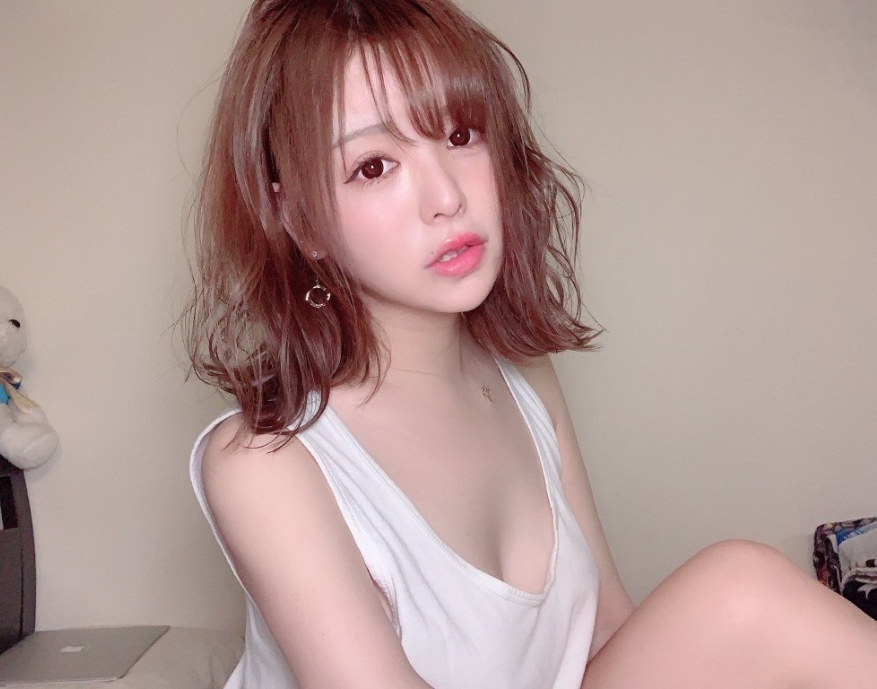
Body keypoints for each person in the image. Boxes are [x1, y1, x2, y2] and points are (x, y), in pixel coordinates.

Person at [184, 0, 877, 687]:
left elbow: (607, 635)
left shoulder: (523, 378)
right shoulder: (264, 463)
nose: (446, 196)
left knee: (741, 590)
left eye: (460, 134)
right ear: (298, 219)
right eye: (373, 166)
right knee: (739, 590)